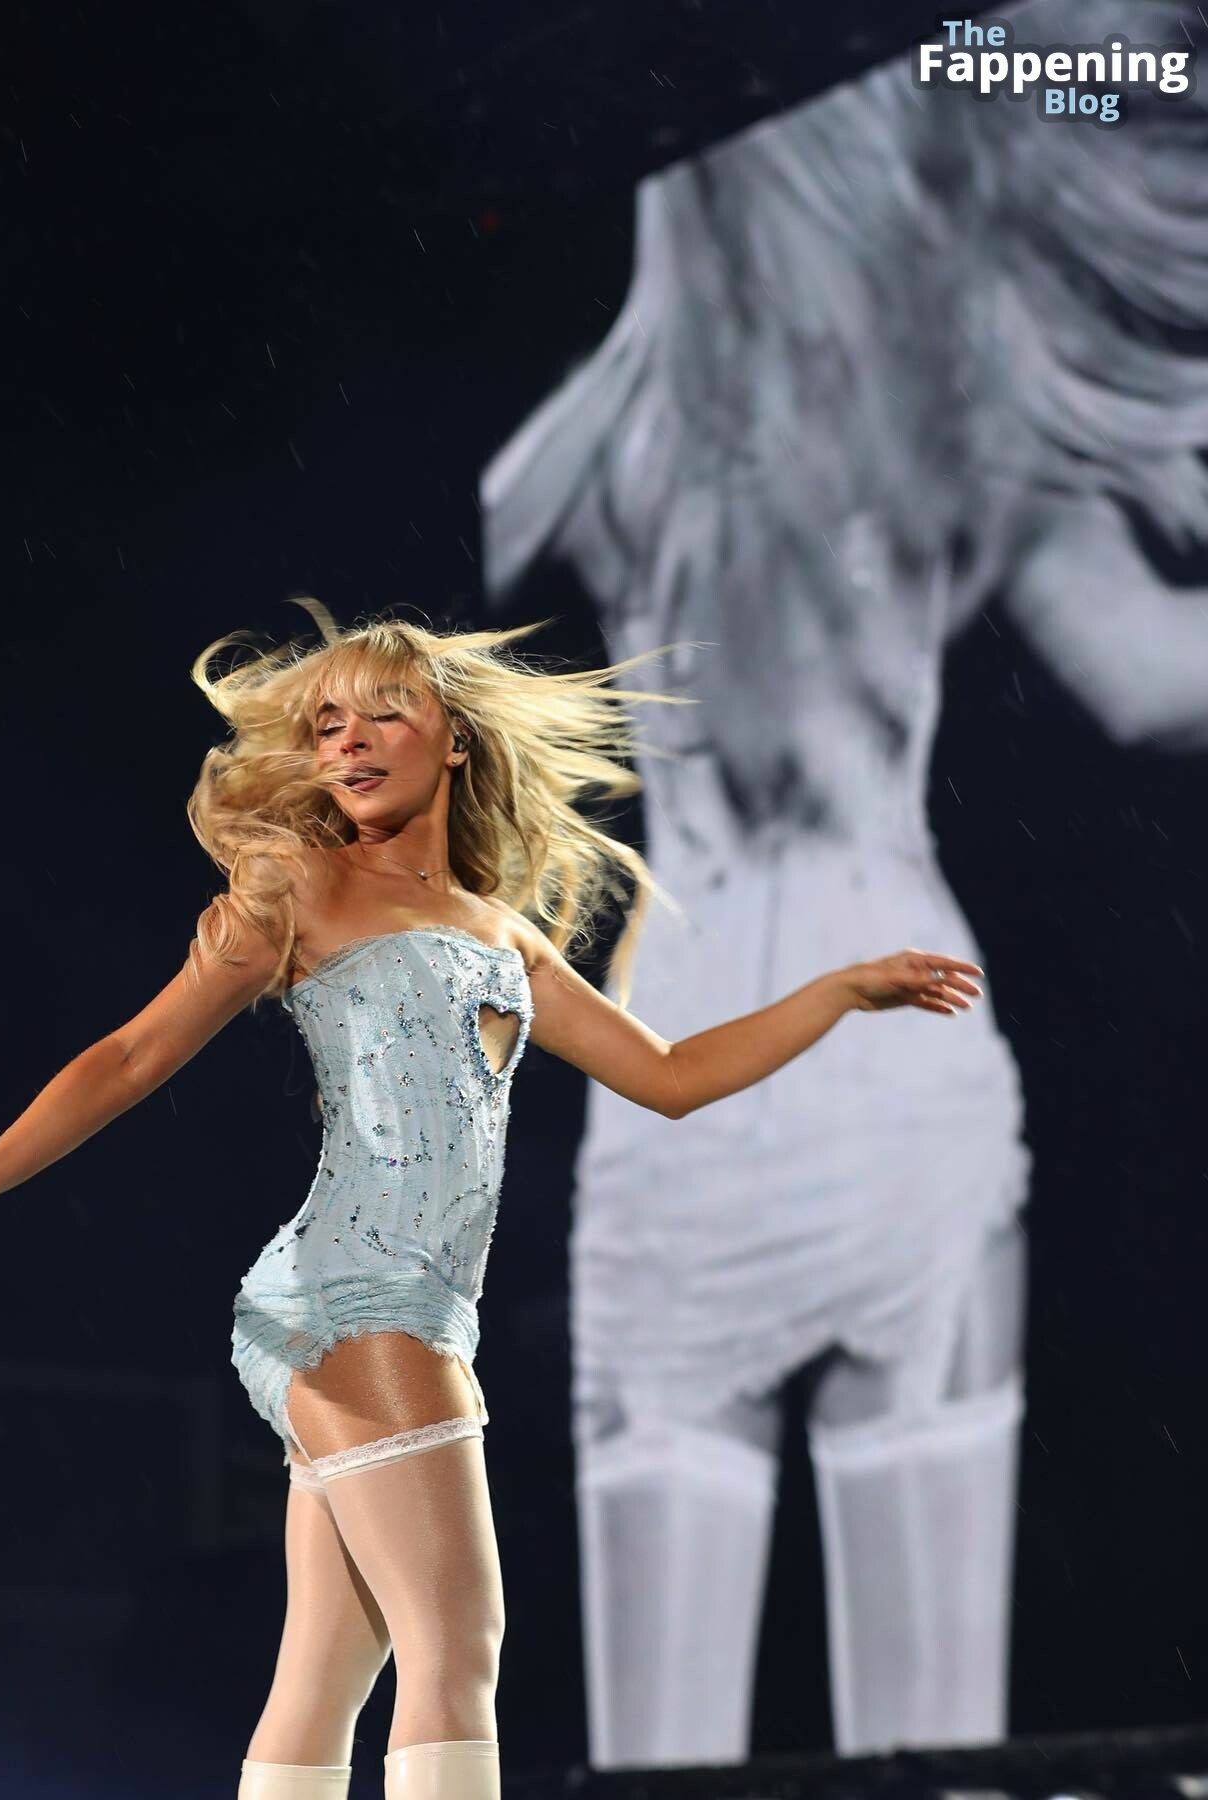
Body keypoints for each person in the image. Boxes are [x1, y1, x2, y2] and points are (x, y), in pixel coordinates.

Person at [0, 607, 984, 1800]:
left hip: (400, 1310)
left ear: (454, 739)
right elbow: (134, 1054)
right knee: (459, 1650)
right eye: (326, 725)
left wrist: (836, 993)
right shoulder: (302, 887)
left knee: (323, 1678)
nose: (348, 743)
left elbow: (671, 1077)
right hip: (360, 1300)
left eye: (382, 715)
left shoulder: (503, 936)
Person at [476, 0, 1208, 1764]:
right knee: (939, 1758)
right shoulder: (945, 432)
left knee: (657, 1769)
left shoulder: (586, 455)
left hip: (678, 1087)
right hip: (892, 1054)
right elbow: (1150, 675)